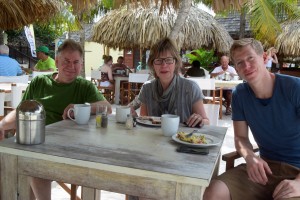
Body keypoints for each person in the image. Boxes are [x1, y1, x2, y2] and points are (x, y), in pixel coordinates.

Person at [0, 39, 112, 200]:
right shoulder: (39, 82)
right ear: (57, 61)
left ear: (81, 64)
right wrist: (2, 125)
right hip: (34, 145)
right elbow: (21, 111)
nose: (71, 67)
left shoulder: (84, 86)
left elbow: (107, 107)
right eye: (66, 61)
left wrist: (80, 106)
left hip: (67, 150)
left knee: (34, 164)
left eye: (76, 62)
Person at [204, 38, 300, 200]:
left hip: (297, 171)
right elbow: (241, 137)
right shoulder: (240, 94)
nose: (246, 66)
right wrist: (250, 156)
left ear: (263, 58)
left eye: (250, 58)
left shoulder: (294, 88)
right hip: (265, 168)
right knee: (214, 191)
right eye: (240, 62)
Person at [138, 38, 209, 127]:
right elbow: (144, 121)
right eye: (158, 60)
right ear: (152, 65)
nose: (164, 65)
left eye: (168, 60)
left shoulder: (191, 88)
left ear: (175, 63)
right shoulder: (147, 88)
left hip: (183, 139)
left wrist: (200, 120)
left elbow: (206, 121)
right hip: (154, 139)